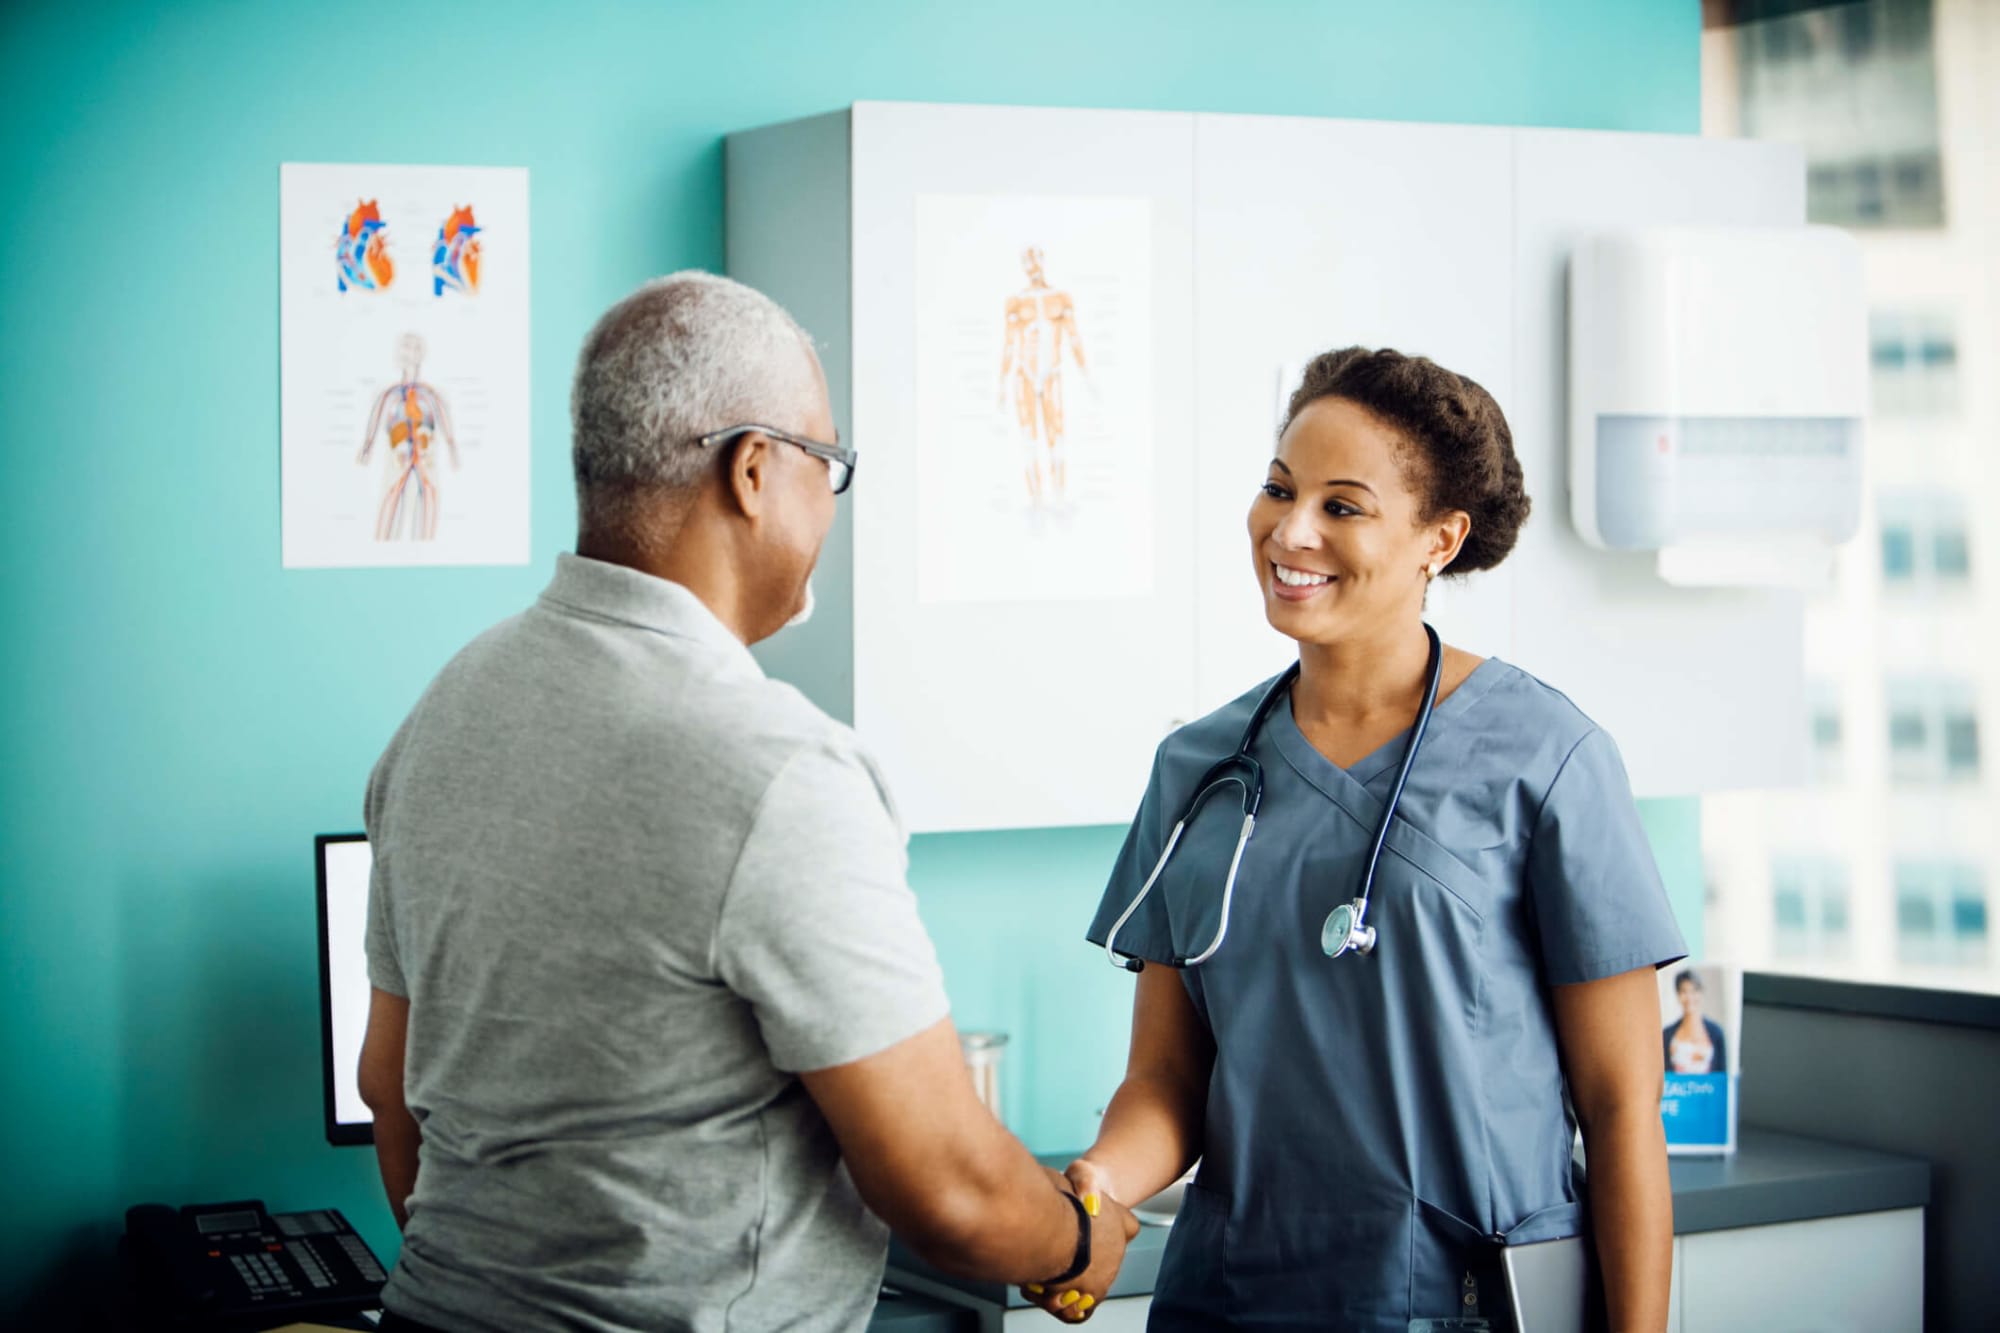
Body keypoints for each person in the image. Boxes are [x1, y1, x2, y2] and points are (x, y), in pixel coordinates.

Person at [357, 272, 1135, 1333]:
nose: (829, 509)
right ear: (755, 470)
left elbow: (392, 1091)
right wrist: (1080, 1240)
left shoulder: (446, 710)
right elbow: (949, 1190)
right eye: (831, 468)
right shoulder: (775, 767)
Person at [1046, 348, 1686, 1331]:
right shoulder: (1197, 767)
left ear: (1439, 538)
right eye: (1277, 488)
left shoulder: (1545, 757)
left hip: (1458, 1300)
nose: (1288, 529)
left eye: (1341, 506)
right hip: (1232, 1300)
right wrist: (1095, 1190)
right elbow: (1169, 1079)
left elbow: (1619, 1110)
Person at [1664, 969, 1728, 1075]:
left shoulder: (1716, 1033)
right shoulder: (1667, 1035)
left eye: (1694, 991)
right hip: (1678, 1090)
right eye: (1684, 991)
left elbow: (1721, 1076)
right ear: (1678, 995)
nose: (1689, 997)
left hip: (1707, 1090)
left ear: (1701, 993)